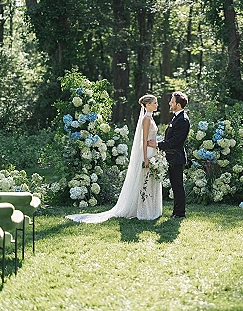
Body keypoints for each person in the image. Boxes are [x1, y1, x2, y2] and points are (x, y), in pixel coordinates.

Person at [65, 95, 162, 223]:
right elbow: (143, 140)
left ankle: (151, 209)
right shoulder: (146, 119)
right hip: (148, 153)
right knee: (145, 180)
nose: (157, 105)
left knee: (151, 180)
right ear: (147, 105)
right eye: (155, 103)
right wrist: (145, 157)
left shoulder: (150, 118)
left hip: (153, 151)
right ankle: (145, 210)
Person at [147, 91, 190, 219]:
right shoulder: (176, 117)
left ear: (178, 104)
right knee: (175, 186)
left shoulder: (183, 120)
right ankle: (176, 212)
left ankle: (180, 213)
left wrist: (158, 144)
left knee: (177, 186)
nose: (169, 103)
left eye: (172, 101)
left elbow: (176, 141)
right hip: (171, 157)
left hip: (176, 158)